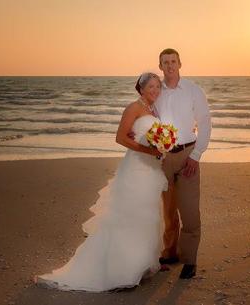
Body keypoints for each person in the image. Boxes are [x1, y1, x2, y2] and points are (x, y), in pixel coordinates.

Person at [35, 73, 167, 292]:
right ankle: (122, 271)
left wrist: (160, 149)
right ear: (141, 89)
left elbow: (152, 138)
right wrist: (149, 150)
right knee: (129, 215)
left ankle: (140, 264)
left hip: (152, 169)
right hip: (136, 168)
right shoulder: (133, 108)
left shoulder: (154, 110)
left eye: (158, 87)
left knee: (147, 215)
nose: (155, 90)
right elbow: (120, 137)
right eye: (151, 86)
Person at [154, 48, 211, 279]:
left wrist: (196, 155)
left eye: (173, 61)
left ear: (180, 64)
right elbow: (148, 120)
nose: (169, 66)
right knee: (168, 210)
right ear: (160, 66)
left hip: (188, 154)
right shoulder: (155, 91)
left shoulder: (193, 90)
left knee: (188, 211)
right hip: (163, 157)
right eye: (165, 62)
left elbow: (205, 122)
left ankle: (190, 260)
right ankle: (170, 253)